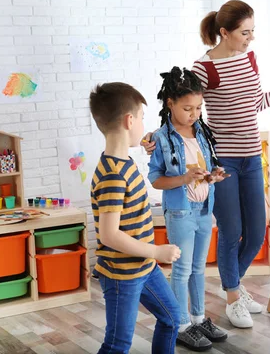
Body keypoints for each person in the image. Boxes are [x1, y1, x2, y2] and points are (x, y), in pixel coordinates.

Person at [143, 0, 270, 328]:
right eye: (245, 32)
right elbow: (186, 111)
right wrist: (157, 136)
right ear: (224, 33)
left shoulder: (249, 58)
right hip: (222, 160)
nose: (250, 38)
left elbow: (257, 102)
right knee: (232, 231)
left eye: (253, 31)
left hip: (253, 156)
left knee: (256, 233)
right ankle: (232, 299)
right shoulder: (203, 69)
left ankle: (234, 287)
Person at [89, 82, 182, 353]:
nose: (143, 124)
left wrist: (152, 256)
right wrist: (157, 251)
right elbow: (109, 235)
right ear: (130, 120)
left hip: (144, 268)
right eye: (142, 117)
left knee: (172, 319)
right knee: (118, 344)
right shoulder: (112, 175)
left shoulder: (123, 162)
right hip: (122, 275)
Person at [148, 67, 229, 351]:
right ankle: (181, 324)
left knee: (198, 268)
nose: (194, 114)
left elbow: (203, 171)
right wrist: (183, 178)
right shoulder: (161, 138)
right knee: (181, 270)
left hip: (204, 210)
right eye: (187, 108)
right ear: (170, 103)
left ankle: (198, 318)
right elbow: (156, 179)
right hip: (181, 212)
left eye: (198, 107)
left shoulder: (202, 133)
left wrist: (212, 176)